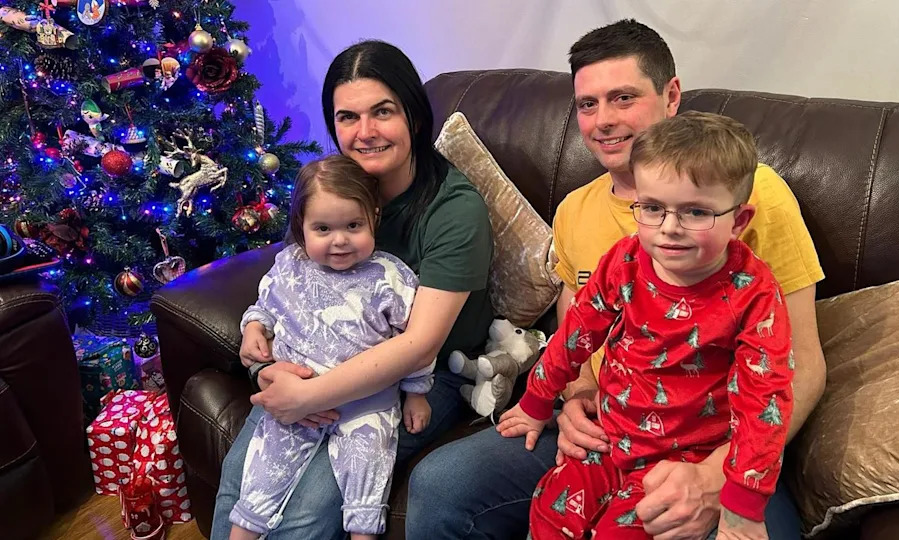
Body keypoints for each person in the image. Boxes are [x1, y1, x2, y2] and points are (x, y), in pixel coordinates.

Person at [407, 19, 825, 540]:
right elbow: (576, 332)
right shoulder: (575, 212)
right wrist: (574, 398)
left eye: (623, 97)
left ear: (671, 95)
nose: (602, 121)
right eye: (587, 104)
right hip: (606, 431)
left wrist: (719, 478)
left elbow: (801, 366)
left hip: (720, 448)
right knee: (443, 483)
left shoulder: (750, 193)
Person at [210, 40, 495, 540]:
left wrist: (306, 396)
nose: (364, 133)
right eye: (347, 117)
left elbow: (419, 344)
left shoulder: (455, 210)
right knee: (240, 491)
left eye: (382, 112)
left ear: (413, 115)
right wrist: (263, 358)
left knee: (305, 514)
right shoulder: (333, 191)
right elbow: (290, 285)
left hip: (416, 380)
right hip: (318, 357)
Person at [500, 111, 793, 539]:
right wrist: (536, 402)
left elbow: (765, 401)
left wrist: (744, 503)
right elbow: (577, 333)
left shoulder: (755, 293)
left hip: (684, 464)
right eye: (653, 208)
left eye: (696, 212)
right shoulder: (626, 258)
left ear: (740, 221)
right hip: (606, 440)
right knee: (549, 513)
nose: (669, 229)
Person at [228, 155, 435, 540]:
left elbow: (417, 342)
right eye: (322, 228)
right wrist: (254, 326)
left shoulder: (392, 276)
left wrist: (416, 394)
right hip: (294, 397)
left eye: (353, 226)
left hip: (367, 400)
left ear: (374, 218)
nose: (339, 240)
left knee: (368, 473)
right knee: (262, 474)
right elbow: (266, 304)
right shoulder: (289, 264)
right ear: (301, 227)